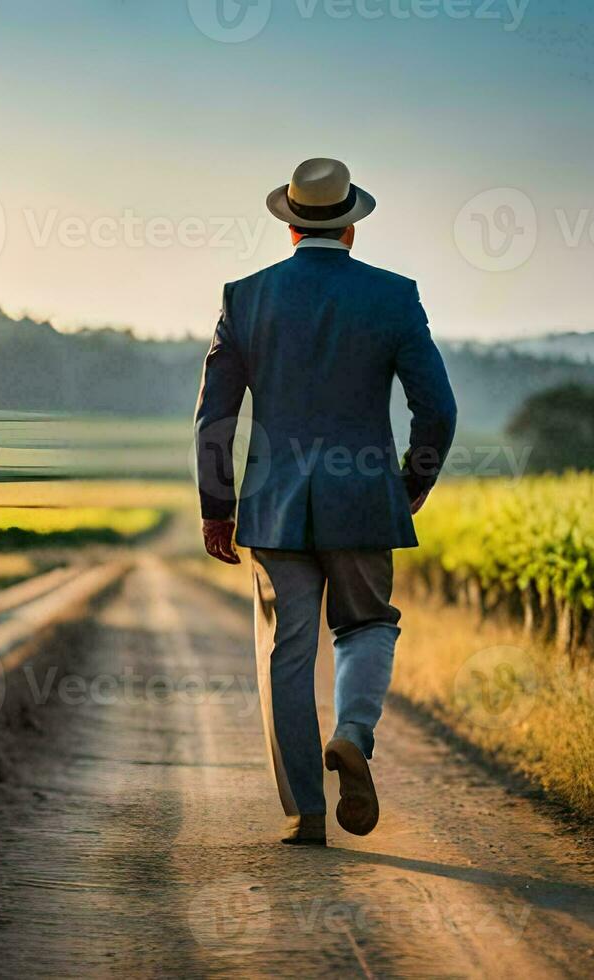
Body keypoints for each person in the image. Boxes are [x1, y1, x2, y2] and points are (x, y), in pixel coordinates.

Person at [193, 158, 457, 846]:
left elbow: (214, 417)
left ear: (289, 227)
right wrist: (409, 485)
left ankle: (304, 812)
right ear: (350, 228)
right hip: (366, 496)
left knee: (287, 649)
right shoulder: (395, 297)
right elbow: (437, 409)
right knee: (367, 624)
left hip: (274, 505)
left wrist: (216, 506)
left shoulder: (245, 297)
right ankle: (352, 734)